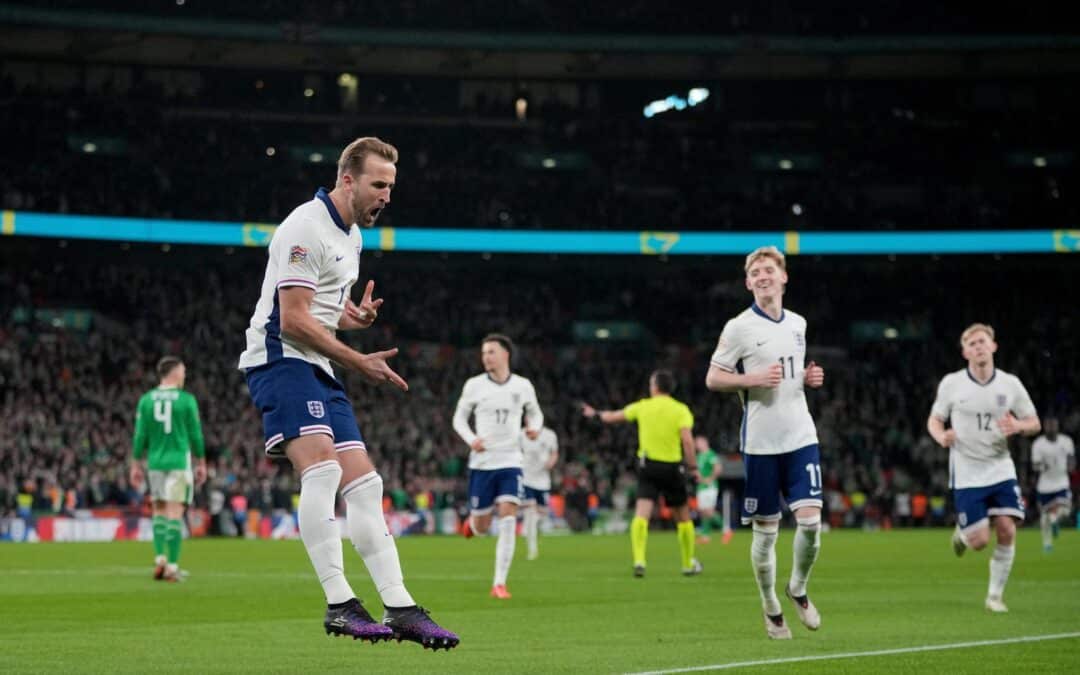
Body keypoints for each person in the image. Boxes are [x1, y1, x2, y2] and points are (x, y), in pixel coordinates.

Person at [237, 136, 458, 649]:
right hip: (279, 358)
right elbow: (291, 321)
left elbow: (319, 311)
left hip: (319, 363)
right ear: (347, 180)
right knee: (325, 470)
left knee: (366, 486)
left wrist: (351, 319)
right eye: (379, 184)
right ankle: (340, 602)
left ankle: (400, 607)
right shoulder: (304, 228)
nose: (386, 195)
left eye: (391, 187)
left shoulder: (352, 236)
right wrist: (358, 360)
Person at [705, 245, 825, 640]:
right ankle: (771, 605)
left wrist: (808, 379)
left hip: (801, 436)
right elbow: (714, 378)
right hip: (760, 443)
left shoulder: (799, 324)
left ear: (783, 277)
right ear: (748, 282)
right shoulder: (738, 327)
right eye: (755, 272)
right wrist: (751, 379)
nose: (762, 276)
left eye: (769, 270)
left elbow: (791, 373)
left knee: (811, 524)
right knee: (766, 533)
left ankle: (798, 589)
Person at [928, 322, 1041, 613]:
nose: (978, 347)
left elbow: (1034, 422)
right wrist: (941, 436)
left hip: (1000, 467)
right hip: (966, 470)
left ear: (993, 346)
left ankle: (994, 597)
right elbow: (935, 419)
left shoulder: (1010, 384)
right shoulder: (952, 384)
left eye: (982, 342)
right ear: (965, 352)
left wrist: (1018, 425)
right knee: (979, 541)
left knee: (1007, 529)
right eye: (972, 344)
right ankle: (963, 533)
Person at [582, 369, 702, 579]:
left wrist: (595, 414)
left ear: (655, 386)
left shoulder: (643, 406)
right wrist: (692, 467)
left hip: (649, 467)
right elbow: (687, 440)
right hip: (672, 467)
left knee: (641, 514)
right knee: (682, 517)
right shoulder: (680, 409)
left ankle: (639, 560)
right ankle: (687, 563)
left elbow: (613, 416)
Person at [452, 333, 544, 599]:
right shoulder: (474, 385)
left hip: (511, 461)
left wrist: (534, 428)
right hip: (482, 463)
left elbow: (535, 413)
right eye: (483, 353)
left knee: (508, 515)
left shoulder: (523, 386)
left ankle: (499, 583)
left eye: (491, 352)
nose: (486, 357)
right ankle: (473, 524)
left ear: (506, 354)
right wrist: (472, 440)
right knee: (481, 526)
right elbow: (459, 419)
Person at [130, 356, 207, 582]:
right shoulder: (186, 400)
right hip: (177, 464)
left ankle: (160, 559)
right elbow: (195, 434)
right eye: (182, 371)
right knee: (175, 513)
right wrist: (201, 461)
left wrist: (135, 464)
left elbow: (140, 435)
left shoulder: (146, 400)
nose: (184, 376)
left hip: (155, 463)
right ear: (173, 373)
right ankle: (172, 567)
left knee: (158, 512)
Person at [1030, 417, 1073, 552]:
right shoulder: (1038, 444)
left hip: (1061, 481)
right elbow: (1035, 465)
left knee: (1065, 509)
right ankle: (1047, 544)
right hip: (1045, 485)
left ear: (1057, 426)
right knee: (1044, 517)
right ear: (1044, 427)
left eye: (1053, 425)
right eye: (1048, 426)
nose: (1051, 428)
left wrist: (1071, 467)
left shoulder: (1066, 441)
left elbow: (1072, 460)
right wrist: (1042, 466)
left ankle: (1055, 519)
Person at [521, 424, 559, 560]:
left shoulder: (550, 435)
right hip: (526, 479)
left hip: (542, 481)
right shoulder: (520, 435)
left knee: (542, 514)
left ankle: (536, 528)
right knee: (529, 513)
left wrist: (551, 462)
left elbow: (554, 453)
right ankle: (532, 550)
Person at [694, 435, 723, 543]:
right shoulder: (699, 456)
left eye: (699, 442)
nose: (697, 445)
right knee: (702, 511)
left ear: (705, 442)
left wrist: (710, 479)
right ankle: (705, 536)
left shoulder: (710, 454)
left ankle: (726, 528)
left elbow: (718, 467)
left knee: (708, 511)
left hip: (710, 487)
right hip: (701, 487)